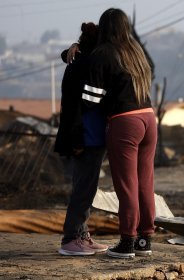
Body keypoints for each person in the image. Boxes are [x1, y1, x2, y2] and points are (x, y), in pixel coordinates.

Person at [82, 8, 157, 259]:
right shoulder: (136, 51)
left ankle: (127, 241)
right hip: (148, 118)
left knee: (126, 186)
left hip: (124, 122)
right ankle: (145, 239)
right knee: (145, 182)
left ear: (104, 28)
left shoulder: (102, 54)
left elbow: (90, 99)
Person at [54, 22, 108, 256]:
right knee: (84, 189)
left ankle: (81, 234)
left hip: (87, 135)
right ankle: (71, 238)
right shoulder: (87, 65)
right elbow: (77, 107)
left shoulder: (78, 62)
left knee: (85, 186)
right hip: (87, 136)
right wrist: (77, 140)